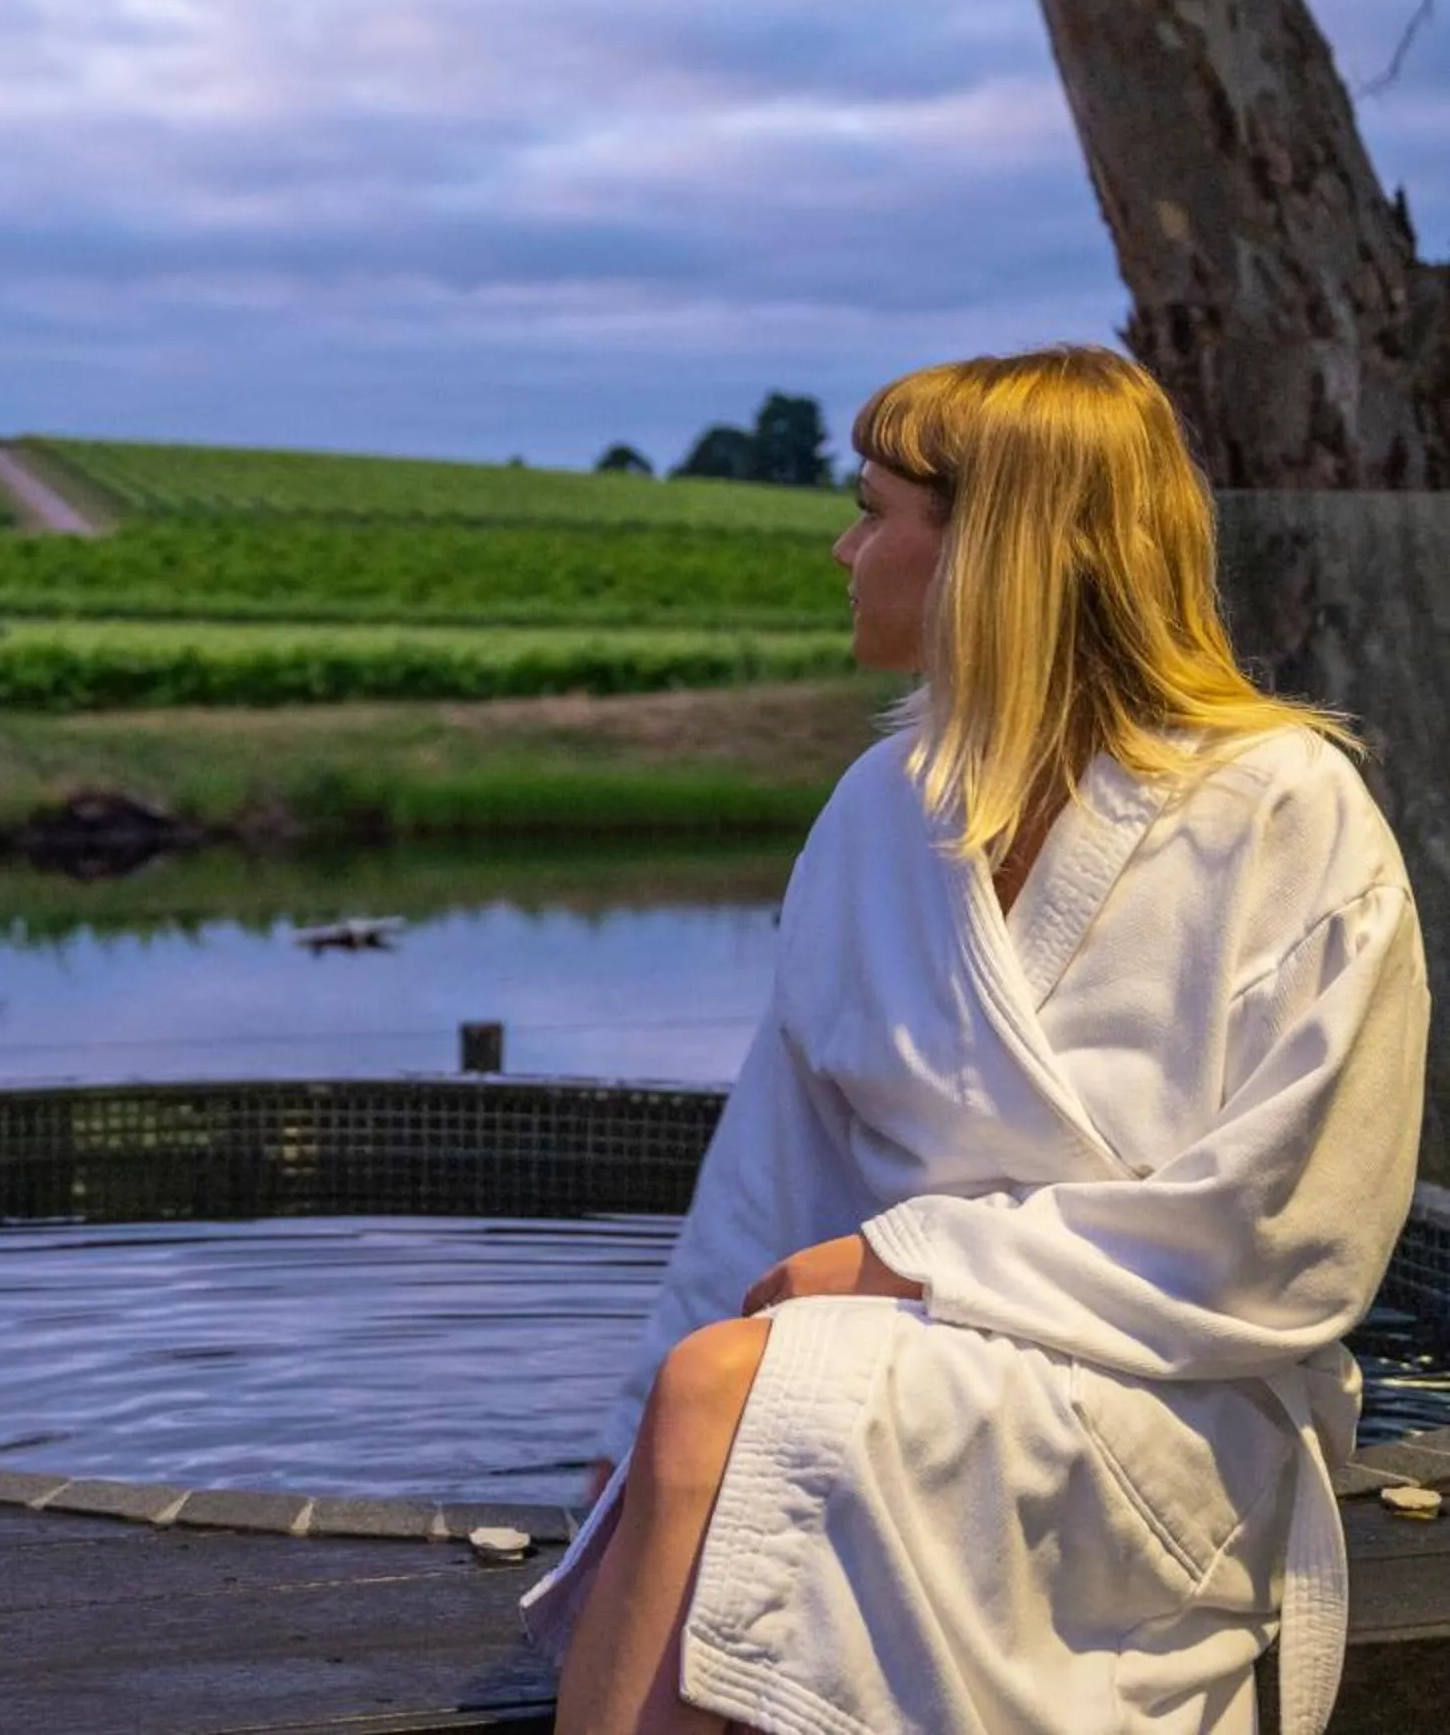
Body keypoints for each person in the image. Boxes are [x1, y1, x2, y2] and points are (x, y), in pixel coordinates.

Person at [520, 344, 1431, 1735]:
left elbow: (1293, 1237)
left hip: (1170, 1400)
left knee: (727, 1395)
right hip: (893, 1371)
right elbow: (774, 1165)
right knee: (705, 1412)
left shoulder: (1283, 810)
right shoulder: (882, 809)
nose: (842, 546)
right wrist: (635, 1434)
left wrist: (909, 1256)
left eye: (874, 509)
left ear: (995, 549)